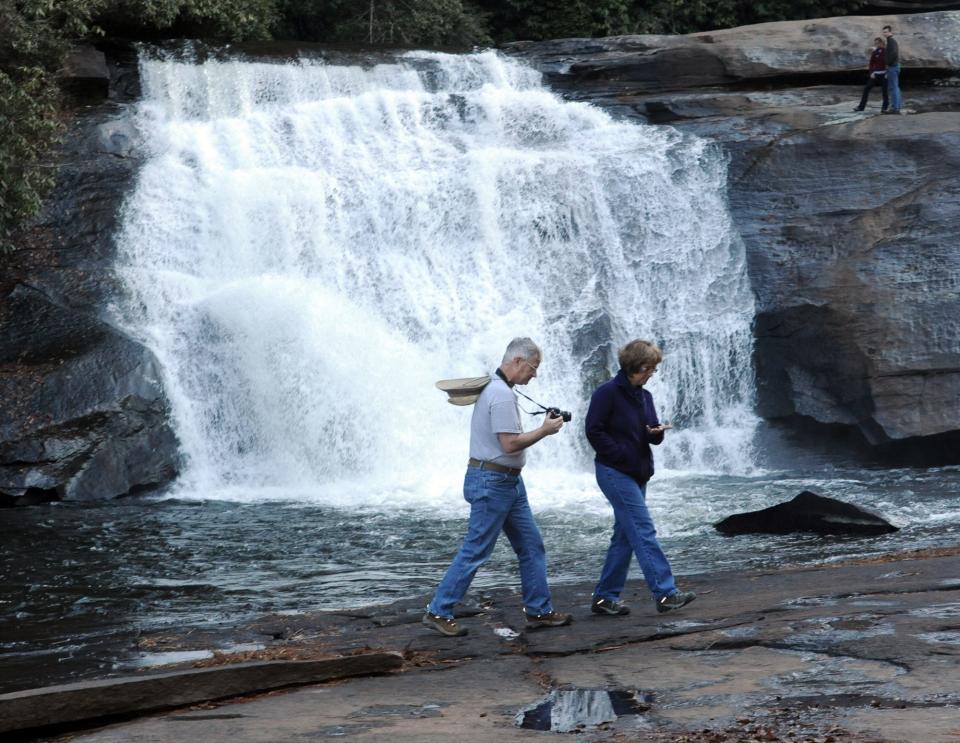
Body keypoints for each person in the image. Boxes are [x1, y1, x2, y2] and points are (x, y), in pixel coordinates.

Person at [423, 337, 571, 637]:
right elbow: (509, 444)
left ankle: (539, 610)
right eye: (533, 367)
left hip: (506, 482)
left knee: (531, 546)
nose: (535, 373)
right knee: (476, 549)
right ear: (517, 361)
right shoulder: (501, 395)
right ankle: (439, 610)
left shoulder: (493, 387)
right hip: (494, 482)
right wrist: (544, 430)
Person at [585, 339, 695, 616]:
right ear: (637, 366)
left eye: (654, 369)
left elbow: (648, 434)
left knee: (624, 536)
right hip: (614, 471)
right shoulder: (607, 393)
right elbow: (593, 431)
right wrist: (621, 454)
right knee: (643, 529)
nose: (652, 374)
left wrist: (655, 434)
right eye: (650, 368)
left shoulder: (644, 396)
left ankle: (604, 598)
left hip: (637, 471)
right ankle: (665, 593)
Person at [853, 37, 888, 113]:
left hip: (884, 75)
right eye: (875, 43)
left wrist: (887, 73)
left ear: (881, 43)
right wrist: (871, 72)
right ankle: (861, 107)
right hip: (875, 75)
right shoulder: (875, 52)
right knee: (866, 89)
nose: (876, 44)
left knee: (885, 92)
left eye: (877, 43)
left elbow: (886, 62)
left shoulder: (885, 51)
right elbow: (871, 63)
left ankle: (884, 108)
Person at [882, 24, 901, 114]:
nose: (885, 34)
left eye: (886, 32)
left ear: (890, 32)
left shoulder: (891, 41)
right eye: (884, 32)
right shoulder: (890, 41)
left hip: (892, 67)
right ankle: (897, 107)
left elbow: (893, 53)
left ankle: (894, 108)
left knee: (893, 88)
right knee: (895, 87)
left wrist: (887, 63)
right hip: (894, 66)